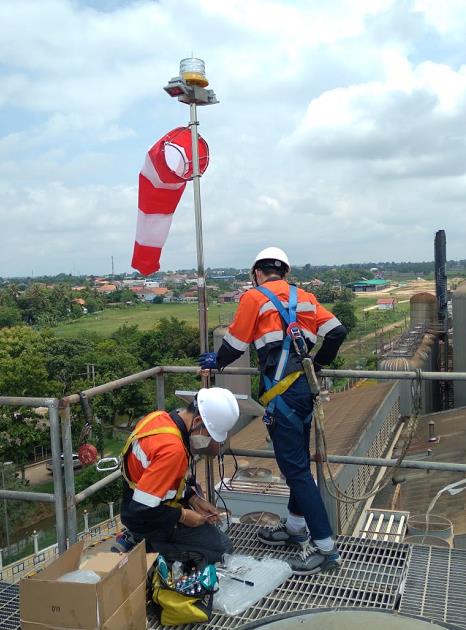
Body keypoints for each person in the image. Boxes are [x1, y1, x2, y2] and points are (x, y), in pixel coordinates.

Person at [198, 247, 347, 575]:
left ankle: (326, 551)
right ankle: (294, 530)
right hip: (303, 392)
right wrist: (318, 364)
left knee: (296, 472)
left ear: (257, 273)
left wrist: (215, 361)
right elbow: (337, 332)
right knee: (298, 466)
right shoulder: (305, 297)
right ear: (285, 272)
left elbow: (236, 344)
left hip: (282, 396)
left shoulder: (254, 298)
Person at [119, 387, 240, 564]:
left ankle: (141, 539)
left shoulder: (159, 418)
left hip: (141, 503)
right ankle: (143, 548)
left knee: (213, 540)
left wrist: (193, 499)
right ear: (197, 420)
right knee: (222, 550)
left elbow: (163, 480)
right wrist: (182, 516)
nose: (209, 441)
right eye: (209, 434)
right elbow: (141, 510)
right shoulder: (173, 450)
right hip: (143, 518)